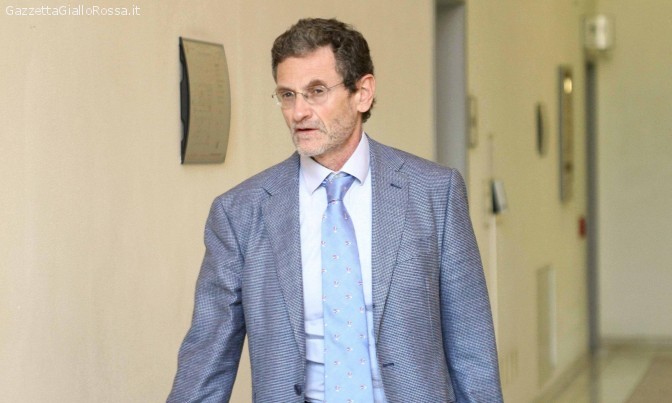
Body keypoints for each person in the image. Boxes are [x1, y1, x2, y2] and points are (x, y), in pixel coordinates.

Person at [168, 18, 502, 403]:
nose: (298, 112)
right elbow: (207, 359)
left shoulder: (434, 193)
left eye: (316, 91)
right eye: (287, 95)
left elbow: (472, 348)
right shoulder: (240, 212)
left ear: (363, 93)